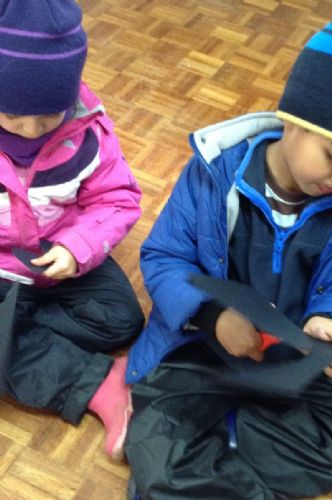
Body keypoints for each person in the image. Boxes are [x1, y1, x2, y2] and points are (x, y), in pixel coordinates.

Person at [125, 7, 332, 499]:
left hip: (296, 360)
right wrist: (213, 317)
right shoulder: (214, 172)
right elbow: (164, 258)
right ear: (293, 120)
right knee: (155, 430)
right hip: (202, 347)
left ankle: (217, 446)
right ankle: (225, 446)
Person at [0, 0, 144, 461]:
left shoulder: (89, 135)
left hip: (61, 261)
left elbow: (117, 199)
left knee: (122, 319)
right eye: (12, 116)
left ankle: (15, 335)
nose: (30, 130)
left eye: (48, 117)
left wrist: (77, 246)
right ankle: (100, 384)